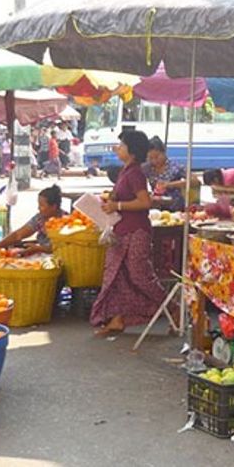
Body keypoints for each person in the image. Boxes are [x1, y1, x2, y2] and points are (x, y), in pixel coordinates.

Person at [92, 131, 169, 336]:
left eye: (122, 145)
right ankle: (116, 319)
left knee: (140, 275)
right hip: (121, 231)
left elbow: (145, 202)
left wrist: (117, 204)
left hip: (136, 232)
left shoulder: (135, 173)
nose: (118, 148)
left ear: (132, 151)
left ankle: (173, 309)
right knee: (118, 276)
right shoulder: (125, 171)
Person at [0, 185, 65, 256]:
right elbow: (18, 235)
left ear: (54, 207)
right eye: (39, 205)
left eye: (42, 205)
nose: (38, 208)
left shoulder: (67, 222)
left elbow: (60, 248)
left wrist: (39, 248)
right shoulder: (39, 218)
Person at [142, 136, 199, 211]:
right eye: (150, 158)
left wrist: (169, 184)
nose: (154, 161)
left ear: (164, 152)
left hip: (175, 206)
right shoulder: (147, 168)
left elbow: (195, 181)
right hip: (156, 208)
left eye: (157, 157)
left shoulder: (175, 167)